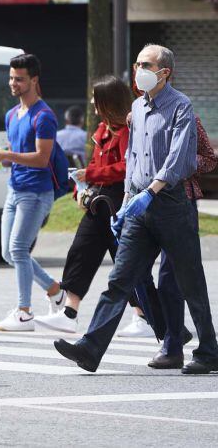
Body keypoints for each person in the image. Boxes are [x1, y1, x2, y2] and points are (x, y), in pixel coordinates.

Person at [54, 44, 218, 374]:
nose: (138, 69)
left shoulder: (181, 107)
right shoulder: (137, 110)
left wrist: (153, 190)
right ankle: (91, 347)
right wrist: (128, 203)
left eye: (146, 64)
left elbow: (178, 159)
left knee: (189, 282)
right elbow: (133, 161)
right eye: (138, 63)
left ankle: (209, 349)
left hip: (171, 204)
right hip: (139, 207)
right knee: (120, 280)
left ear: (164, 72)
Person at [34, 76, 152, 333]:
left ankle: (143, 315)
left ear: (109, 103)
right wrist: (82, 185)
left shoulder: (127, 132)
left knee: (125, 261)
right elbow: (96, 167)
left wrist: (91, 175)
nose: (92, 105)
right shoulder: (101, 130)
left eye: (96, 101)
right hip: (98, 202)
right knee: (81, 251)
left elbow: (126, 169)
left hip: (120, 203)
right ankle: (69, 312)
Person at [0, 53, 66, 331]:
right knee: (9, 253)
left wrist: (9, 154)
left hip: (36, 192)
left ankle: (24, 311)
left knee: (18, 249)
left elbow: (42, 158)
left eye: (19, 79)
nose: (13, 83)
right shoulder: (11, 115)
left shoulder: (44, 116)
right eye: (11, 78)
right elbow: (17, 153)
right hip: (15, 189)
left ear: (33, 80)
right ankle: (55, 290)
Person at [132, 106, 217, 368]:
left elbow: (209, 159)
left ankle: (181, 346)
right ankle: (174, 338)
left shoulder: (187, 116)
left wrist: (183, 162)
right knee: (134, 272)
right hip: (146, 205)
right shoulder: (138, 116)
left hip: (180, 204)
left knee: (176, 278)